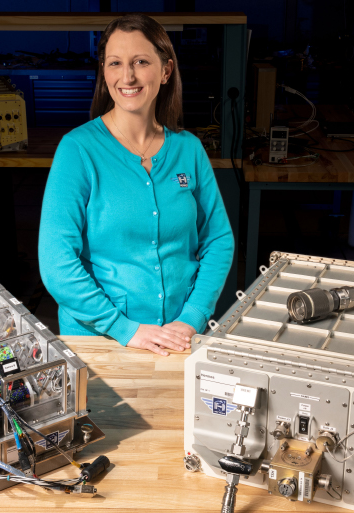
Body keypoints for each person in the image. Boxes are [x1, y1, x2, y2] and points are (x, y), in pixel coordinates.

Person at [38, 13, 234, 357]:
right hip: (100, 341)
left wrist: (192, 317)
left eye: (141, 62)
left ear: (166, 70)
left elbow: (218, 240)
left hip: (179, 338)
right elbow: (56, 263)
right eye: (115, 63)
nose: (127, 76)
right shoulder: (78, 150)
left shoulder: (188, 149)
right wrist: (124, 329)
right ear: (104, 71)